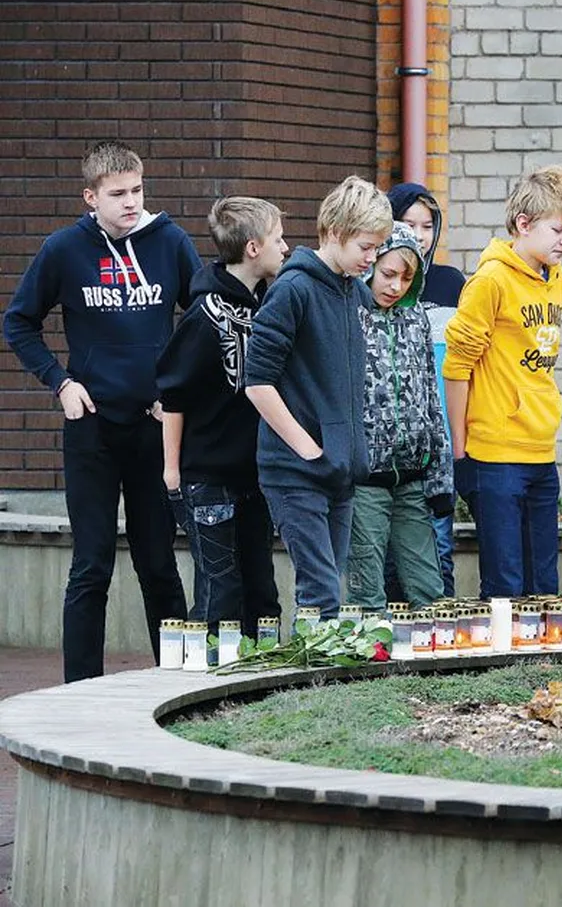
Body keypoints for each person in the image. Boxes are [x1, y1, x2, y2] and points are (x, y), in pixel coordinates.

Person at [3, 141, 199, 681]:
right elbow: (18, 322)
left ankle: (177, 681)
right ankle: (78, 689)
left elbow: (203, 318)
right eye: (118, 194)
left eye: (137, 190)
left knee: (158, 562)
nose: (131, 202)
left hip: (152, 428)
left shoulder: (170, 242)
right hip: (90, 428)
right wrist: (60, 381)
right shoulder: (65, 249)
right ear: (91, 197)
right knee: (91, 566)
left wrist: (176, 389)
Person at [244, 176, 391, 620]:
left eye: (376, 248)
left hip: (339, 470)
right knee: (321, 594)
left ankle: (323, 677)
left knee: (331, 588)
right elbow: (257, 382)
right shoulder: (294, 289)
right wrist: (309, 449)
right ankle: (315, 686)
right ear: (332, 233)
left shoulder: (352, 291)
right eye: (365, 247)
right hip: (295, 470)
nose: (372, 258)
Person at [444, 166, 562, 598]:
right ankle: (502, 664)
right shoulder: (490, 281)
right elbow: (457, 366)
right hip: (494, 452)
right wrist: (459, 448)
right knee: (505, 585)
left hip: (540, 448)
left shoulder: (556, 277)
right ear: (524, 225)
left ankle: (543, 665)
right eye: (558, 229)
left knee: (544, 582)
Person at [156, 196, 287, 642]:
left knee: (261, 588)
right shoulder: (205, 316)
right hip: (207, 475)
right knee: (219, 588)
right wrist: (172, 471)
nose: (285, 248)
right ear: (253, 248)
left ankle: (261, 680)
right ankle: (209, 678)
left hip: (255, 474)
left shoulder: (269, 305)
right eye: (278, 238)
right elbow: (173, 394)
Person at [346, 222, 452, 613]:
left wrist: (440, 481)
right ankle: (370, 664)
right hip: (365, 479)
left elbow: (431, 398)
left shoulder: (417, 320)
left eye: (408, 278)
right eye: (389, 275)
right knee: (366, 586)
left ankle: (433, 666)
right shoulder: (350, 314)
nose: (396, 286)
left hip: (413, 476)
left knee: (429, 586)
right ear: (370, 267)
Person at [384, 183, 461, 598]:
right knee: (387, 556)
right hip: (388, 446)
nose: (418, 234)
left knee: (440, 545)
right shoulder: (376, 284)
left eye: (427, 225)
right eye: (407, 223)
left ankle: (442, 639)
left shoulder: (451, 283)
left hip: (439, 442)